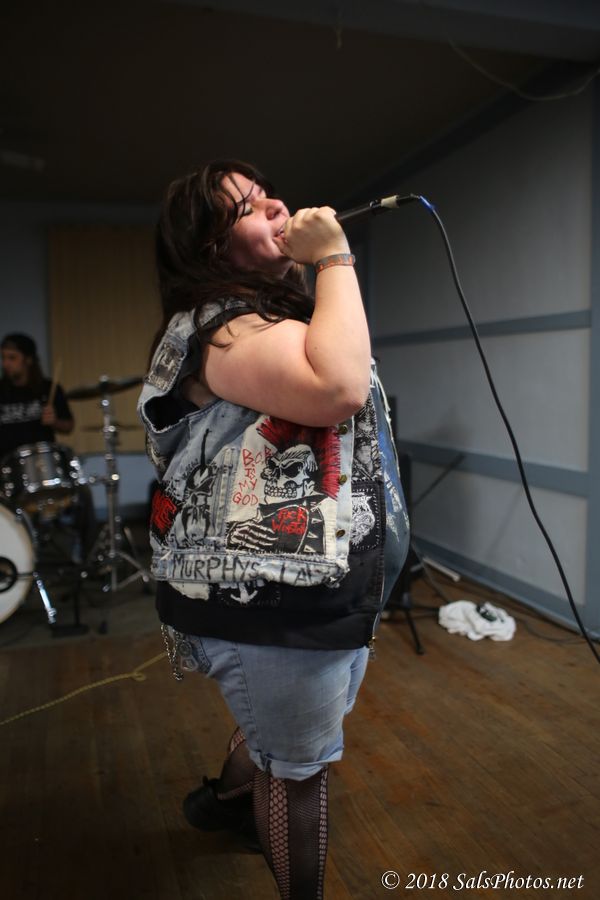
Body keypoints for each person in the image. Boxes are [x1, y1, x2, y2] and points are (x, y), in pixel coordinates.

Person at [138, 159, 410, 899]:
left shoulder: (270, 319)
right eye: (248, 207)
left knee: (288, 738)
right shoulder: (220, 330)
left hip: (327, 590)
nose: (277, 206)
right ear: (210, 246)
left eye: (267, 195)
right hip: (274, 603)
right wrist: (334, 257)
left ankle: (227, 800)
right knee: (298, 773)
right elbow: (336, 386)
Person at [0, 332, 74, 456]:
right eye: (3, 358)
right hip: (6, 462)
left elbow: (69, 427)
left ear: (28, 359)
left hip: (42, 460)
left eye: (12, 358)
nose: (5, 364)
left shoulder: (48, 388)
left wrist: (54, 421)